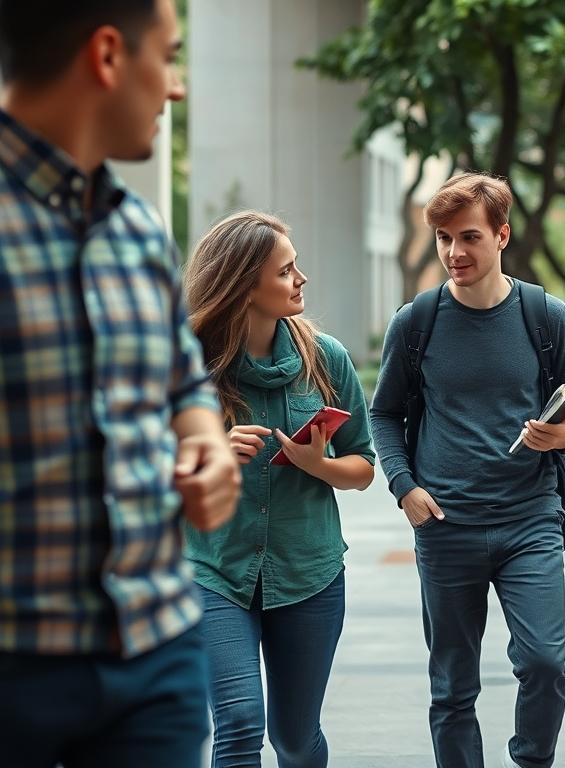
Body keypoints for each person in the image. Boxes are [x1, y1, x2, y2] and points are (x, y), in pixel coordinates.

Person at [0, 2, 241, 765]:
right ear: (107, 55)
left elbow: (181, 385)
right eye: (167, 57)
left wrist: (207, 445)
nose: (176, 86)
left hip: (156, 652)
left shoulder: (139, 231)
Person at [369, 172, 565, 768]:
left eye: (469, 236)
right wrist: (404, 488)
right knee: (452, 686)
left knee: (546, 664)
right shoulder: (416, 322)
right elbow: (384, 413)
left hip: (531, 519)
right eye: (444, 238)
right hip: (445, 524)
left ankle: (531, 759)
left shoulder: (544, 316)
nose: (455, 251)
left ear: (502, 235)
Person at [182, 211, 376, 766]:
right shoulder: (187, 363)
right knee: (240, 722)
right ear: (246, 286)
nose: (301, 278)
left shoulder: (326, 359)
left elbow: (363, 466)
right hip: (214, 569)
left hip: (309, 573)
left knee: (294, 738)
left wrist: (318, 464)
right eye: (286, 270)